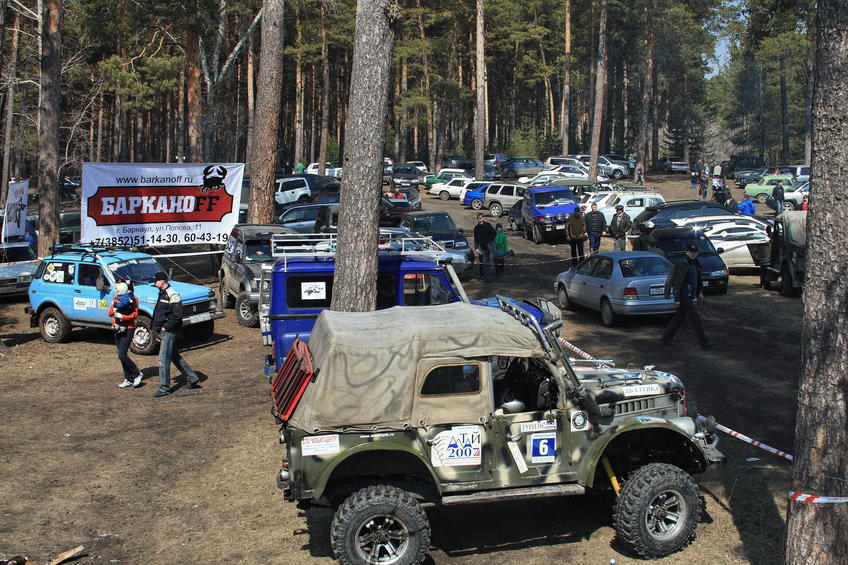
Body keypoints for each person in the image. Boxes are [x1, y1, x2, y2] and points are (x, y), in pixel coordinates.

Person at [152, 271, 200, 397]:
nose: (154, 283)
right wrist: (158, 330)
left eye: (156, 281)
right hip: (164, 331)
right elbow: (161, 314)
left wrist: (165, 328)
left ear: (162, 281)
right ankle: (192, 377)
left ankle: (164, 388)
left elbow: (177, 316)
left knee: (163, 360)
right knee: (175, 357)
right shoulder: (162, 293)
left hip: (169, 332)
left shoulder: (172, 294)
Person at [661, 244, 711, 348]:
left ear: (697, 253)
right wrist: (676, 299)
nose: (693, 254)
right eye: (691, 252)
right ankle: (704, 342)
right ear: (687, 252)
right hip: (684, 295)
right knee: (695, 318)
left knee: (678, 317)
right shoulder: (682, 265)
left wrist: (700, 292)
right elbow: (677, 282)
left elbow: (698, 280)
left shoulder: (696, 264)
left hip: (690, 295)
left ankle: (666, 337)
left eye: (694, 252)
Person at [109, 281, 144, 388]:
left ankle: (136, 373)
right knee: (121, 355)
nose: (117, 290)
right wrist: (115, 311)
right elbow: (110, 313)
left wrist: (122, 316)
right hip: (117, 328)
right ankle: (128, 378)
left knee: (122, 354)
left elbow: (134, 315)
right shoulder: (116, 298)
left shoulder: (133, 299)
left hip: (128, 329)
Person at [473, 214, 497, 283]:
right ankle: (485, 277)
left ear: (483, 218)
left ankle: (509, 252)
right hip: (482, 247)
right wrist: (476, 248)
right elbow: (476, 239)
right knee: (483, 262)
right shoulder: (476, 228)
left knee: (495, 257)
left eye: (480, 218)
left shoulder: (487, 225)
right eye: (478, 218)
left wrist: (490, 240)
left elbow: (494, 233)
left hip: (489, 245)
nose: (479, 219)